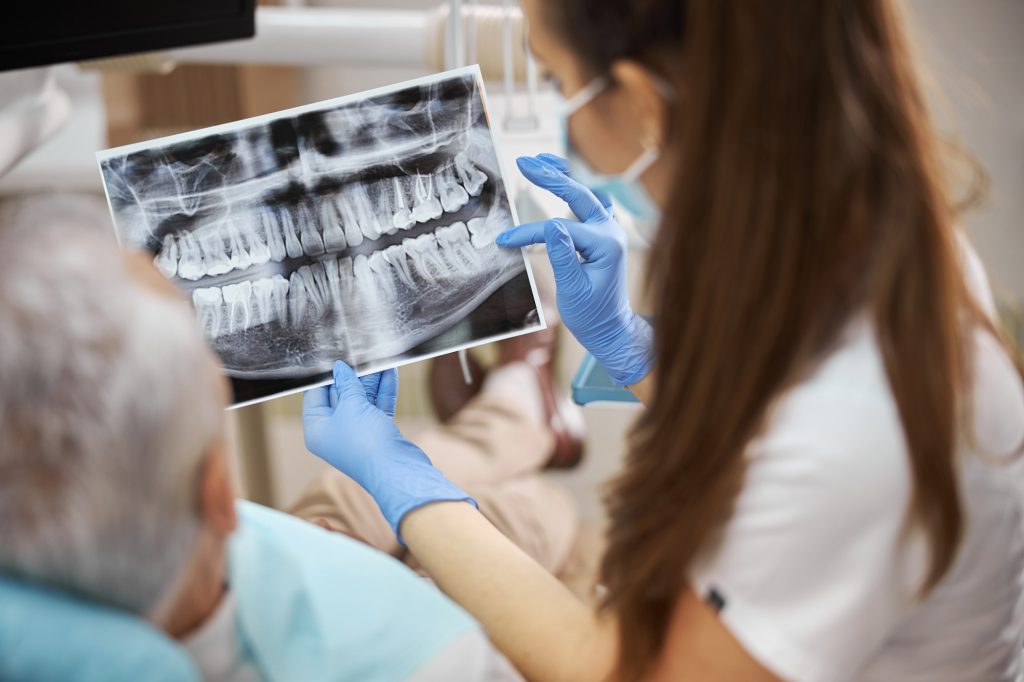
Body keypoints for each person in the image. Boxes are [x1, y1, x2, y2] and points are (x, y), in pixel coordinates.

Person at [301, 1, 1024, 680]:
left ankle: (518, 411)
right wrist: (630, 349)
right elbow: (775, 414)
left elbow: (621, 670)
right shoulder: (882, 241)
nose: (559, 111)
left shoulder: (855, 440)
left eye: (556, 79)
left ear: (645, 103)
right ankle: (522, 410)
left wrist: (400, 479)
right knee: (490, 515)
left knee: (336, 518)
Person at [0, 222, 523, 681]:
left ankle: (517, 416)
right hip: (344, 591)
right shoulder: (427, 657)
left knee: (345, 497)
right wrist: (392, 488)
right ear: (221, 497)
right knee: (529, 513)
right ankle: (522, 411)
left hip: (249, 559)